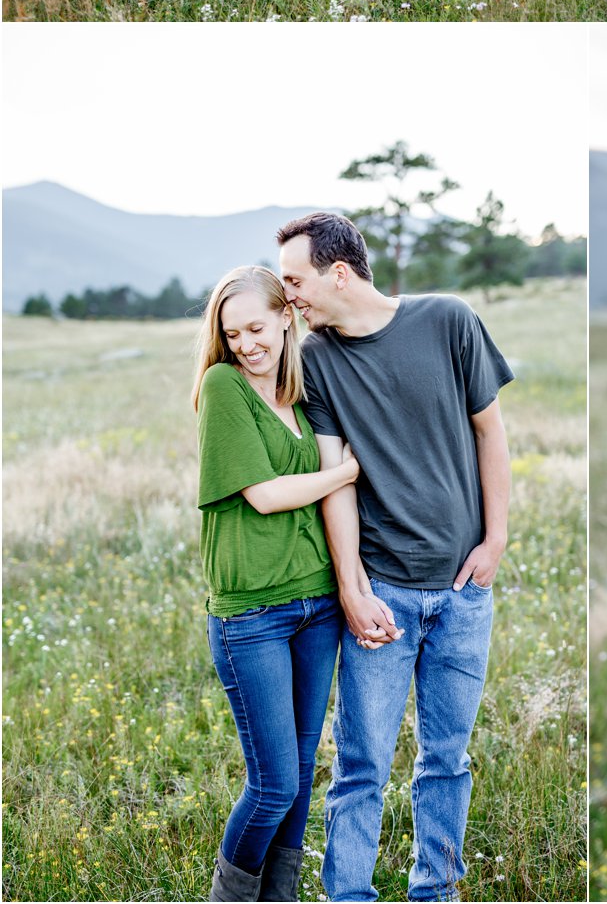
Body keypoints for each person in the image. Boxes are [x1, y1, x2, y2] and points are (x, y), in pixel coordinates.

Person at [275, 212, 514, 904]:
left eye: (297, 280)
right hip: (383, 591)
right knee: (361, 764)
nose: (292, 296)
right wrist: (351, 586)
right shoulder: (315, 359)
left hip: (463, 592)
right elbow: (336, 480)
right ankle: (347, 895)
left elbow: (490, 432)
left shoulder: (448, 320)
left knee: (446, 760)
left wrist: (495, 538)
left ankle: (435, 892)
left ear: (338, 272)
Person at [194, 265, 361, 903]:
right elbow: (264, 497)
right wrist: (346, 474)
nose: (247, 344)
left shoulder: (302, 391)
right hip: (251, 616)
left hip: (316, 607)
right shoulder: (224, 387)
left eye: (257, 328)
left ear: (286, 318)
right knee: (273, 786)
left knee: (298, 777)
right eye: (233, 334)